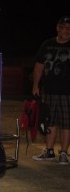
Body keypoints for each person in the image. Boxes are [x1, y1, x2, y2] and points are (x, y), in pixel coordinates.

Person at [32, 15, 70, 165]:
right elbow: (39, 66)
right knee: (49, 122)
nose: (66, 30)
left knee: (66, 123)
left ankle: (63, 154)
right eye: (63, 27)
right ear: (57, 28)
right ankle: (49, 152)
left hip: (68, 92)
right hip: (48, 91)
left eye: (69, 28)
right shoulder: (47, 44)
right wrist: (35, 85)